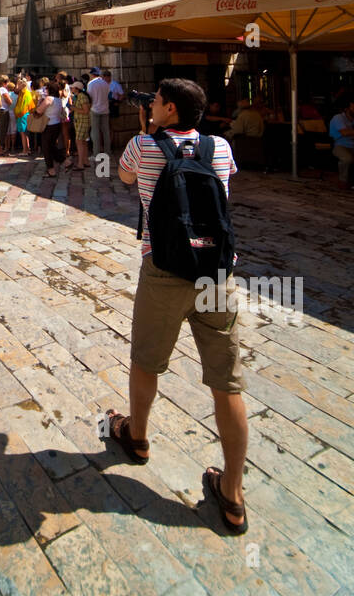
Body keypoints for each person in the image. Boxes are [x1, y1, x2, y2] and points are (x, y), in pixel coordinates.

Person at [112, 78, 247, 533]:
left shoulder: (142, 147)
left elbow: (126, 178)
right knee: (227, 383)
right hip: (216, 272)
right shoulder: (221, 148)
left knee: (146, 360)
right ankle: (231, 493)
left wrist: (145, 132)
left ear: (167, 108)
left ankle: (138, 437)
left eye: (156, 103)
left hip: (165, 271)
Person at [35, 81, 64, 177]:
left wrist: (39, 103)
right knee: (51, 146)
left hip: (48, 125)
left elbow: (39, 110)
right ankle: (65, 161)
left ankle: (51, 170)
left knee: (46, 148)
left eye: (46, 88)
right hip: (56, 124)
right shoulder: (58, 100)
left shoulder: (49, 99)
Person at [87, 66, 111, 159]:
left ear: (92, 74)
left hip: (95, 109)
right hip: (105, 109)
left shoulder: (91, 83)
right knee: (106, 131)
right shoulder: (105, 83)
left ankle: (96, 154)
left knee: (95, 132)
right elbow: (107, 95)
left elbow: (90, 97)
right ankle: (107, 152)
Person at [70, 80, 91, 171]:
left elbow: (86, 111)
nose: (71, 88)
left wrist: (74, 108)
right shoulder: (78, 96)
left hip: (83, 122)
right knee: (83, 142)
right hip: (79, 122)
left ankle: (80, 164)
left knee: (79, 141)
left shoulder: (82, 97)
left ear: (77, 88)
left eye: (73, 87)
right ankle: (85, 161)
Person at [14, 75, 34, 156]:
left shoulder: (23, 92)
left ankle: (25, 150)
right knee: (25, 133)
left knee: (23, 133)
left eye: (20, 84)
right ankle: (27, 149)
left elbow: (16, 90)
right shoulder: (28, 92)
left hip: (22, 114)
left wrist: (18, 80)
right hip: (26, 113)